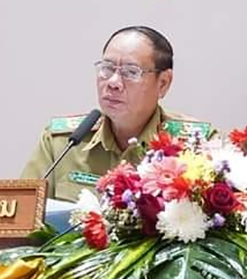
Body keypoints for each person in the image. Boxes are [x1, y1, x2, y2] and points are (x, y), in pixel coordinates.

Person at [21, 26, 214, 201]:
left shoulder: (197, 146)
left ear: (163, 83)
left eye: (131, 72)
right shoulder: (63, 143)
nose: (113, 82)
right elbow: (22, 215)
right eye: (107, 68)